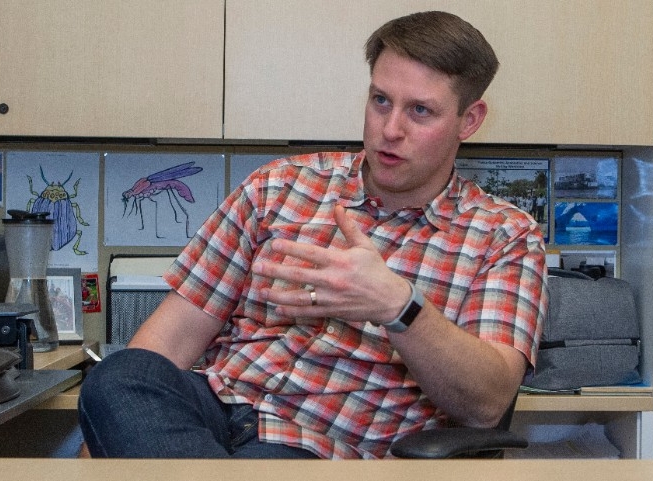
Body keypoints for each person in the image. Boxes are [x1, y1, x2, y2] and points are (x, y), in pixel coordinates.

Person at [78, 10, 547, 460]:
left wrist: (399, 308)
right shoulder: (279, 186)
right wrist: (104, 445)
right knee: (120, 375)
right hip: (213, 408)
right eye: (380, 99)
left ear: (470, 120)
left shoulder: (504, 236)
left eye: (420, 111)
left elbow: (486, 405)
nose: (389, 129)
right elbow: (166, 344)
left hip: (317, 447)